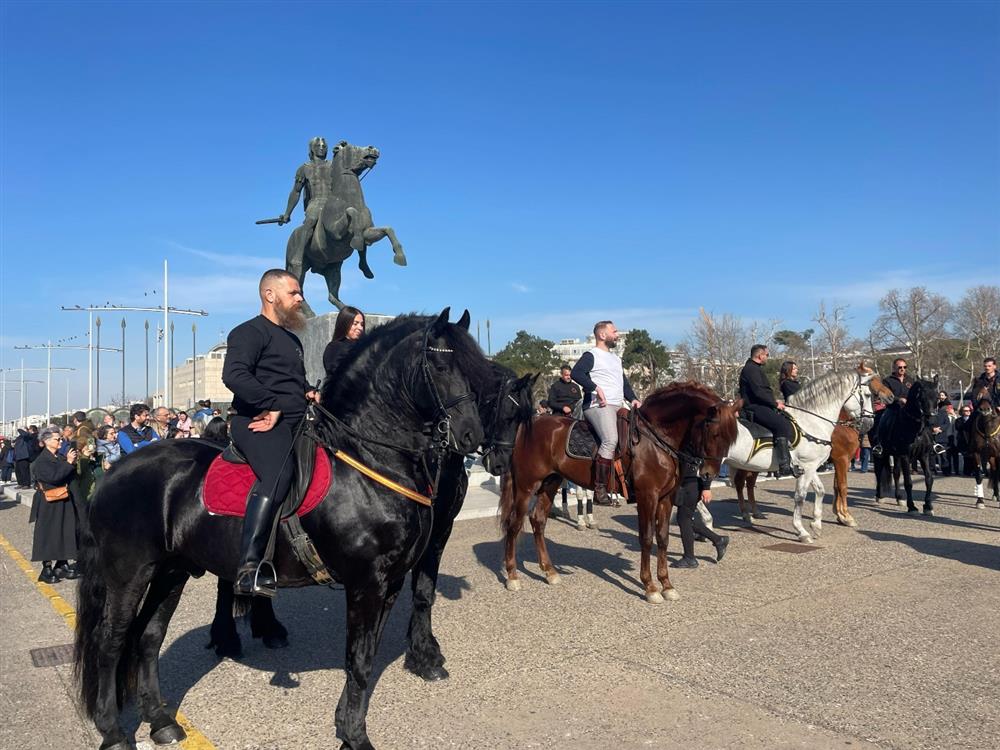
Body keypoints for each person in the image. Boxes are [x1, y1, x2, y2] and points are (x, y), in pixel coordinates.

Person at [222, 268, 319, 597]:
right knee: (280, 474)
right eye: (293, 292)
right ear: (269, 294)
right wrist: (271, 404)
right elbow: (233, 375)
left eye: (299, 293)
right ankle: (248, 568)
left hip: (296, 420)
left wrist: (308, 392)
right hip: (256, 420)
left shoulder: (292, 340)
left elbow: (291, 381)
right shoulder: (248, 332)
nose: (300, 298)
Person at [570, 321, 641, 506]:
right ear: (602, 335)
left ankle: (629, 483)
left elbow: (623, 383)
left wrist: (633, 398)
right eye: (614, 331)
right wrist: (595, 388)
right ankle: (600, 489)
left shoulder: (616, 359)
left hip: (618, 404)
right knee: (611, 439)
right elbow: (577, 373)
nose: (617, 334)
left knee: (636, 436)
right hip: (598, 406)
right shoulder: (591, 355)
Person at [29, 426, 80, 584]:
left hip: (64, 500)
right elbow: (54, 477)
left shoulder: (59, 457)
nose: (60, 441)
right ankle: (46, 568)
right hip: (49, 502)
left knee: (65, 531)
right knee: (48, 532)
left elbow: (68, 474)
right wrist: (69, 463)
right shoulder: (41, 461)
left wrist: (72, 462)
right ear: (45, 441)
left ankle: (62, 563)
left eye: (60, 439)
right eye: (57, 439)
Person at [738, 344, 797, 477]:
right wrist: (775, 403)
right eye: (767, 355)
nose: (767, 358)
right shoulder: (751, 369)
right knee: (782, 424)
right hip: (755, 407)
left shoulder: (754, 368)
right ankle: (784, 464)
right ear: (760, 356)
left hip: (762, 405)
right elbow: (759, 392)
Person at [671, 460, 730, 568]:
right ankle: (718, 540)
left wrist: (706, 487)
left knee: (684, 519)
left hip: (692, 483)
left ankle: (690, 558)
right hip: (686, 482)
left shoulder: (696, 444)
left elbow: (708, 460)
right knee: (685, 518)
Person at [547, 365, 584, 512]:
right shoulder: (555, 386)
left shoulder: (575, 387)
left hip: (575, 416)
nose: (568, 377)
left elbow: (580, 401)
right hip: (559, 416)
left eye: (570, 375)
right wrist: (563, 407)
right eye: (566, 375)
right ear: (561, 375)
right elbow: (551, 402)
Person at [872, 359, 913, 457]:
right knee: (882, 420)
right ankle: (879, 444)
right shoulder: (887, 380)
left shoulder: (911, 380)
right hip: (893, 409)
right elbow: (885, 396)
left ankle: (932, 443)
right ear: (894, 368)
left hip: (909, 410)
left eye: (904, 367)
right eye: (900, 367)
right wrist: (899, 399)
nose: (902, 369)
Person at [322, 305, 365, 375]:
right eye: (355, 324)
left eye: (362, 324)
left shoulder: (365, 347)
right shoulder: (334, 347)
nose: (360, 328)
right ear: (344, 324)